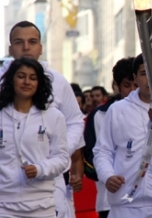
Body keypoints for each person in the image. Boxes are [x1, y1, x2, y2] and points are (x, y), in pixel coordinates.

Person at [1, 21, 85, 218]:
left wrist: (58, 148)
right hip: (5, 193)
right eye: (19, 42)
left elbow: (74, 121)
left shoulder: (58, 81)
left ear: (40, 47)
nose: (26, 47)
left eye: (32, 42)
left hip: (47, 180)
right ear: (10, 48)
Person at [93, 53, 152, 218]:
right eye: (144, 73)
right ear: (135, 78)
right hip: (124, 204)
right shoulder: (118, 110)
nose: (150, 78)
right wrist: (107, 176)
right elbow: (102, 151)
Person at [0, 58, 69, 217]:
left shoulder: (53, 116)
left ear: (39, 83)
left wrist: (39, 169)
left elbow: (62, 157)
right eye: (21, 76)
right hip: (3, 205)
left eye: (33, 78)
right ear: (11, 79)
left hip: (42, 205)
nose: (26, 82)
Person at [84, 57, 136, 218]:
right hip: (110, 198)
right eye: (127, 86)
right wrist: (107, 176)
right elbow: (91, 156)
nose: (133, 91)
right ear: (117, 86)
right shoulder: (100, 114)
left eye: (136, 85)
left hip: (151, 199)